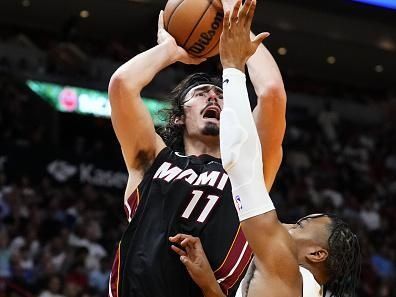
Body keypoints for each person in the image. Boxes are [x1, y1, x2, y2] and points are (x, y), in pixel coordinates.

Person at [169, 1, 361, 296]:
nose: (283, 222)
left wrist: (233, 61)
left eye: (298, 226)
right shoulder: (304, 286)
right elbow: (271, 92)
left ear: (317, 254)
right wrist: (209, 285)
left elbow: (243, 161)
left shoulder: (286, 270)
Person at [107, 0, 286, 295]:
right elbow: (122, 85)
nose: (214, 99)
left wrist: (234, 27)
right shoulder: (152, 160)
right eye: (202, 93)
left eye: (221, 95)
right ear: (178, 117)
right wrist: (170, 50)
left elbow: (272, 94)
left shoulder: (248, 173)